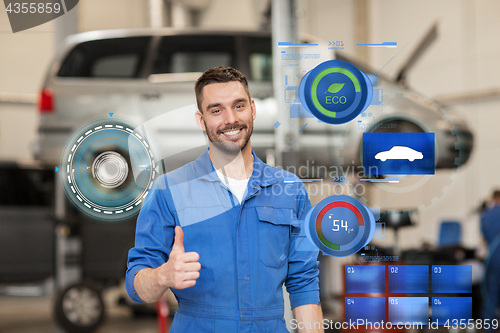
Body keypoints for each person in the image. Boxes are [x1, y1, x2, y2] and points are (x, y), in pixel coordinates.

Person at [126, 66, 323, 332]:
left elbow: (304, 284)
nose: (230, 119)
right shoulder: (169, 190)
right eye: (216, 110)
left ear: (253, 109)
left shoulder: (290, 190)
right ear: (201, 120)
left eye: (238, 106)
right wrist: (163, 275)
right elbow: (138, 287)